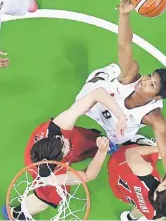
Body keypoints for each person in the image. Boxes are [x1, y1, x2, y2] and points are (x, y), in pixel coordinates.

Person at [75, 0, 166, 203]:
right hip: (97, 103)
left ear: (156, 97)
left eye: (151, 85)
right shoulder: (132, 75)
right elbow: (125, 44)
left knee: (135, 145)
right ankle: (105, 75)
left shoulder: (154, 117)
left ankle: (120, 145)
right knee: (79, 106)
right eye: (150, 76)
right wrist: (124, 15)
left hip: (118, 131)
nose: (145, 81)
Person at [2, 87, 127, 220]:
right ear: (61, 160)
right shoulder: (52, 176)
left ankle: (100, 145)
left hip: (48, 153)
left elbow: (97, 93)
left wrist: (121, 116)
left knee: (81, 140)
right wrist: (101, 152)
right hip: (47, 172)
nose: (65, 141)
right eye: (65, 146)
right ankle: (17, 213)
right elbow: (87, 175)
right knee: (47, 199)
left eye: (61, 140)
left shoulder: (56, 129)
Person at [108, 142, 166, 221]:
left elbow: (130, 152)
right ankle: (130, 218)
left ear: (155, 196)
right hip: (124, 193)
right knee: (141, 209)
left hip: (120, 163)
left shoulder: (145, 173)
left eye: (164, 185)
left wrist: (163, 149)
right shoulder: (154, 213)